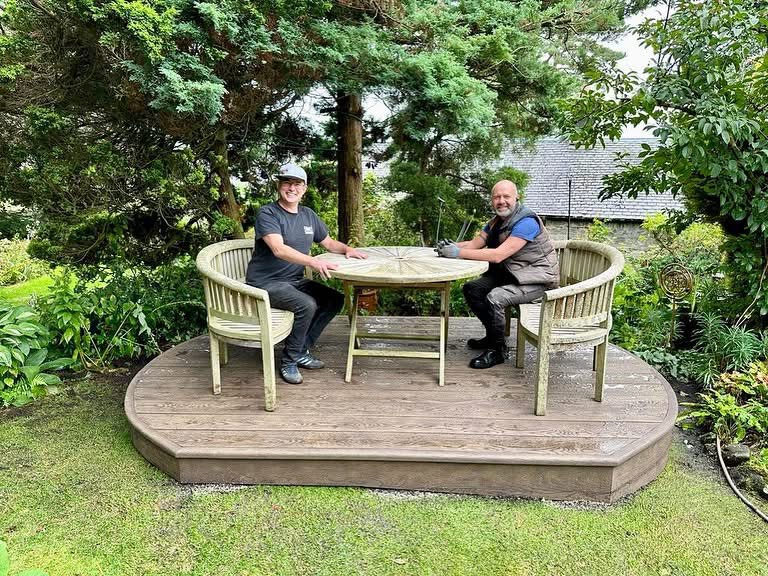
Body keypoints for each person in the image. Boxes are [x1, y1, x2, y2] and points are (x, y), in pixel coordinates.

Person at [245, 162, 367, 384]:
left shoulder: (308, 215)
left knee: (334, 299)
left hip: (294, 280)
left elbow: (328, 243)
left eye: (297, 184)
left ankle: (301, 349)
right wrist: (312, 261)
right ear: (279, 186)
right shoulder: (268, 213)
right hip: (265, 283)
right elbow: (278, 249)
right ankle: (289, 361)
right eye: (286, 183)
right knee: (306, 304)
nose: (291, 188)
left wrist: (347, 249)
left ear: (305, 188)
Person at [436, 180, 559, 369]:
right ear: (492, 200)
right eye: (496, 197)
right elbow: (474, 244)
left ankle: (497, 350)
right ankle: (492, 336)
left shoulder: (527, 222)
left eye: (506, 196)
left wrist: (457, 253)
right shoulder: (496, 222)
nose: (501, 201)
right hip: (515, 274)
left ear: (516, 197)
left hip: (538, 280)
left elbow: (497, 255)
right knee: (472, 289)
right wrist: (451, 246)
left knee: (496, 298)